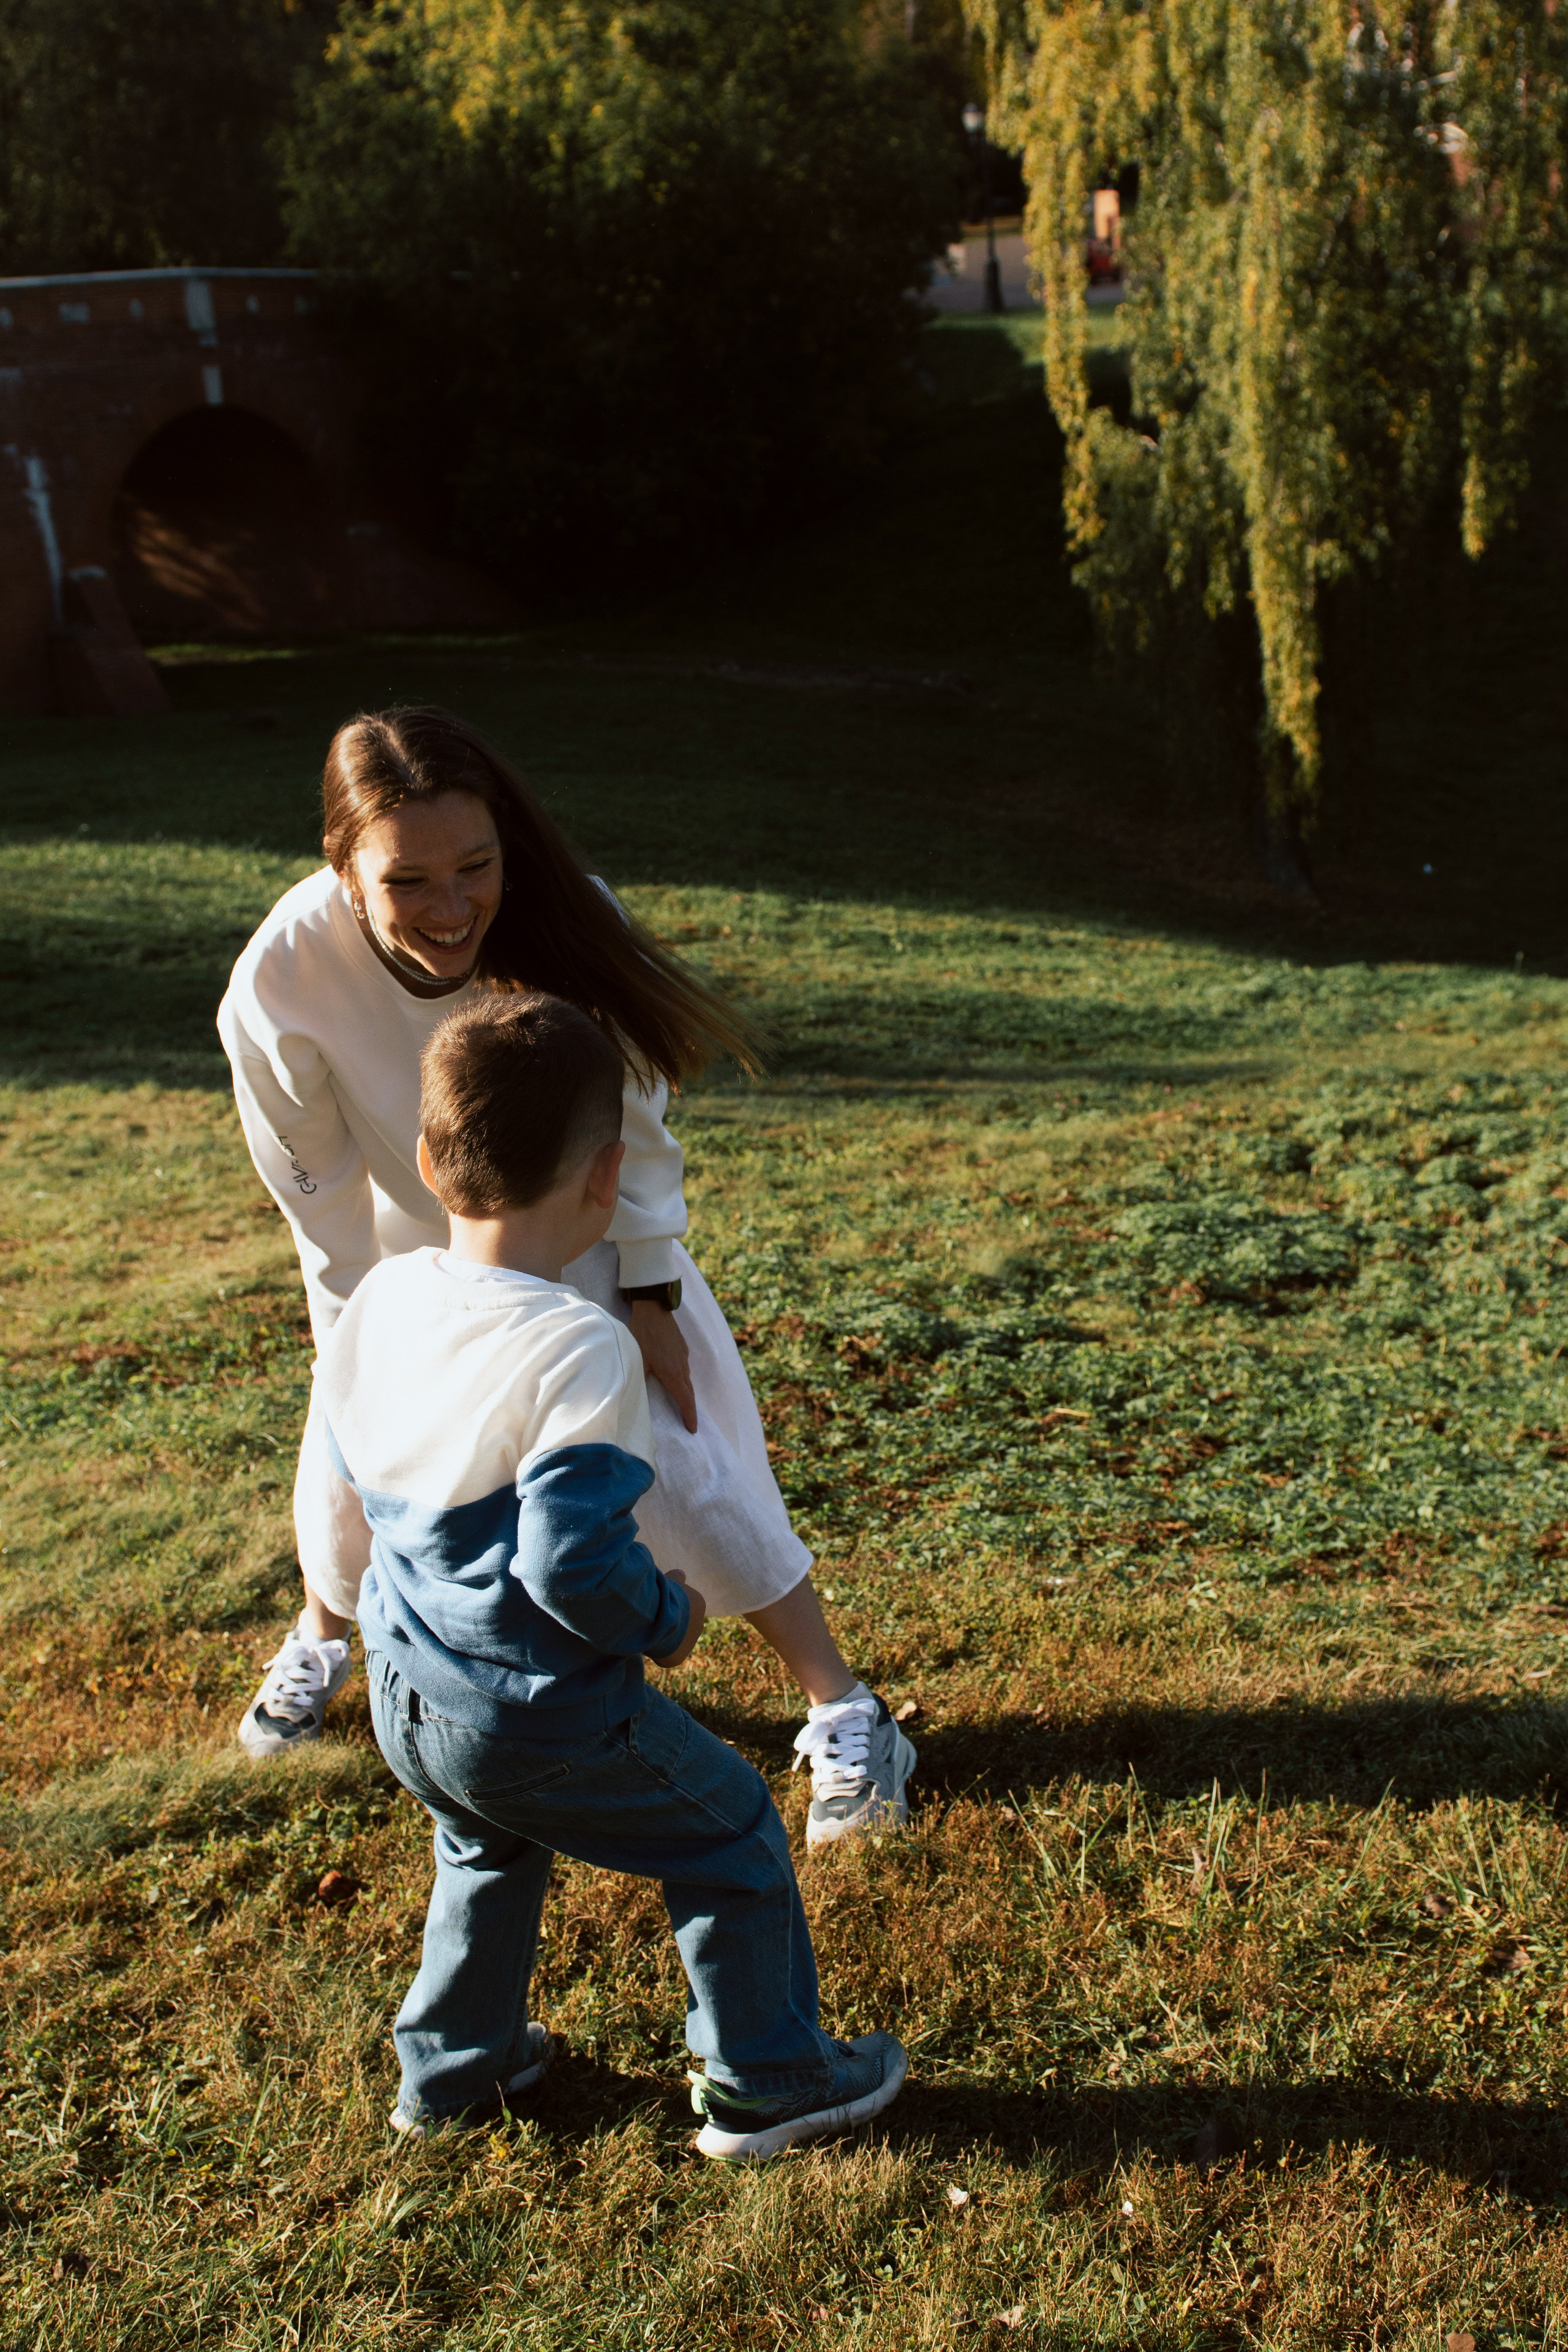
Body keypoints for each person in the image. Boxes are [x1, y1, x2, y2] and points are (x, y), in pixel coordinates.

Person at [217, 706, 916, 1847]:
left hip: (581, 1236)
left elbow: (631, 1130)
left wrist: (649, 1294)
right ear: (344, 871)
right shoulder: (280, 979)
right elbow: (320, 1196)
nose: (452, 908)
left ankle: (847, 1710)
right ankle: (321, 1642)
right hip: (408, 1261)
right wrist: (357, 1344)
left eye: (475, 866)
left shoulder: (565, 920)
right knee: (347, 1471)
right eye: (408, 882)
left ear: (509, 846)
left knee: (687, 1458)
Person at [322, 987, 907, 2154]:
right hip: (532, 1710)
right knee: (732, 1831)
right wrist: (668, 1616)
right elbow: (571, 1564)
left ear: (430, 1162)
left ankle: (453, 2075)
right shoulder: (578, 1344)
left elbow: (352, 1460)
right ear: (607, 1180)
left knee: (486, 1846)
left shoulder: (386, 1295)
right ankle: (770, 2081)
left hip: (404, 1688)